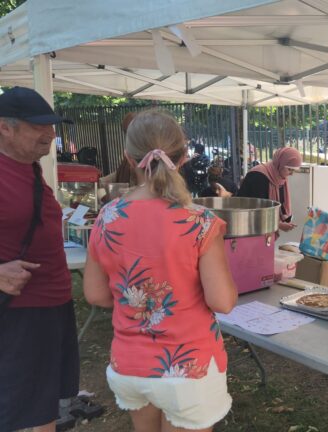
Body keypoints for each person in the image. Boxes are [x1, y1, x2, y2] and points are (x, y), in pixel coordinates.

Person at [83, 110, 238, 432]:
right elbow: (222, 301)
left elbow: (95, 294)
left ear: (128, 156)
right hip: (187, 367)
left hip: (129, 364)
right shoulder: (200, 222)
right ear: (182, 157)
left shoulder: (107, 217)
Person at [0, 86, 79, 432]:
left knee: (43, 403)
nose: (50, 135)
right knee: (21, 408)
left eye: (52, 125)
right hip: (20, 313)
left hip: (50, 306)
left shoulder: (29, 167)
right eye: (38, 126)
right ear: (5, 127)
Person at [237, 146, 303, 232]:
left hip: (265, 229)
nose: (291, 174)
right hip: (248, 228)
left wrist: (285, 219)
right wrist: (278, 224)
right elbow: (256, 210)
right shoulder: (258, 176)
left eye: (294, 170)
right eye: (290, 169)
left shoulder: (279, 177)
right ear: (280, 163)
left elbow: (280, 203)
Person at [99, 112, 139, 201]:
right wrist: (100, 182)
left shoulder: (147, 154)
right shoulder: (130, 152)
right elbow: (118, 174)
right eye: (126, 132)